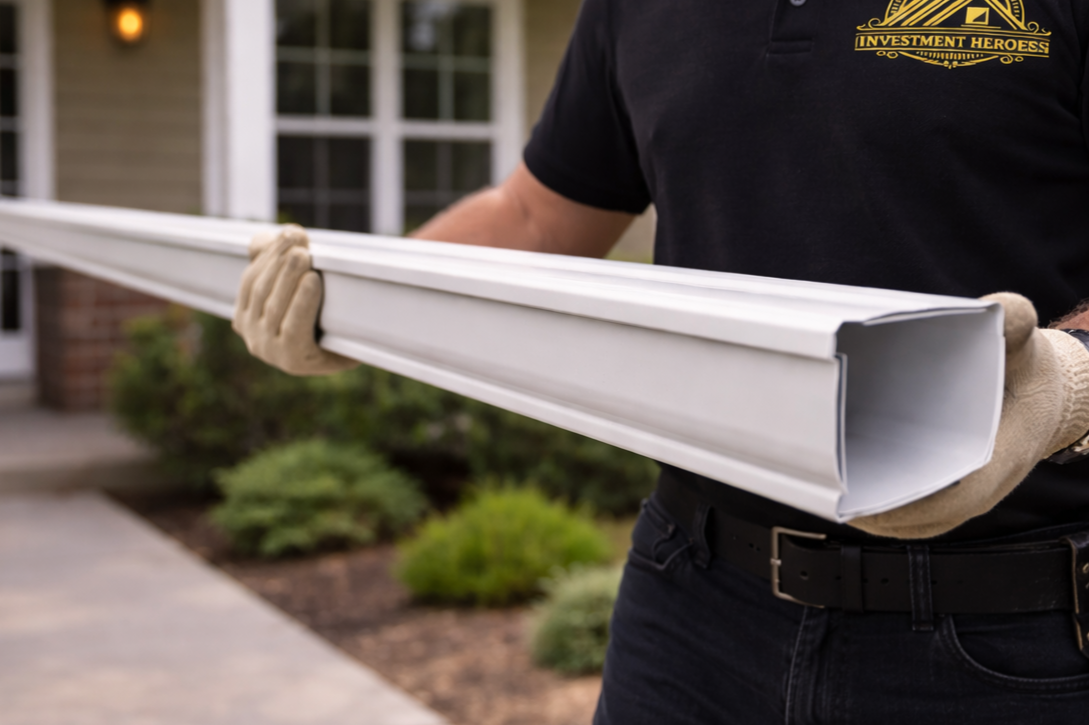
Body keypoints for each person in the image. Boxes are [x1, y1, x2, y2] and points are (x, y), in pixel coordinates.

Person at [232, 0, 1089, 720]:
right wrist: (351, 296)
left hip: (1011, 629)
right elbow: (536, 220)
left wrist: (1067, 384)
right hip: (692, 605)